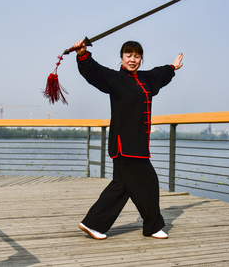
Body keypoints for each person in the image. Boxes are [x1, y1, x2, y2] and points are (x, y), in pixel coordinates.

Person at [73, 39, 183, 239]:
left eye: (137, 56)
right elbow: (94, 72)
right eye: (128, 56)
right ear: (121, 58)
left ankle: (93, 224)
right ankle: (152, 226)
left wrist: (172, 67)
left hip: (138, 144)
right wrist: (83, 55)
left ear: (141, 58)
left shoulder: (146, 79)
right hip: (125, 145)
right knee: (148, 181)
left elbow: (160, 73)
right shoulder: (115, 78)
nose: (133, 60)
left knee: (121, 186)